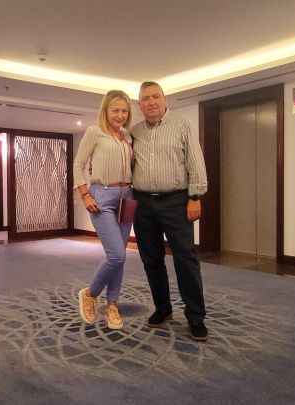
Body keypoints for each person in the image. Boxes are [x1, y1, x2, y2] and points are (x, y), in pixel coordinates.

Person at [130, 81, 209, 341]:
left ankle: (195, 315)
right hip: (142, 203)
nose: (151, 102)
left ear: (165, 100)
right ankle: (162, 308)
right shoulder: (135, 131)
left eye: (155, 96)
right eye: (145, 98)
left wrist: (195, 197)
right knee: (151, 259)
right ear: (139, 105)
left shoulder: (181, 123)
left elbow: (195, 161)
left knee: (185, 258)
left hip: (176, 201)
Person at [73, 90, 134, 330]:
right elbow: (78, 165)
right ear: (105, 111)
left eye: (124, 111)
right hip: (102, 196)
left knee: (120, 257)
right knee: (116, 254)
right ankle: (90, 293)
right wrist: (84, 194)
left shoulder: (127, 137)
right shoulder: (94, 132)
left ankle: (112, 305)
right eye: (115, 110)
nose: (120, 115)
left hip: (127, 197)